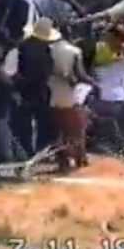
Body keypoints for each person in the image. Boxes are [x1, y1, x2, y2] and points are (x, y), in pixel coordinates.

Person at [48, 25, 99, 171]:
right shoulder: (75, 51)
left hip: (53, 93)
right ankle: (80, 158)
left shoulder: (49, 50)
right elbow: (80, 74)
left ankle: (62, 162)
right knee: (77, 129)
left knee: (59, 131)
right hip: (70, 95)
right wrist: (94, 83)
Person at [14, 18, 55, 157]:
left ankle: (27, 152)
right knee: (43, 123)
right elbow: (49, 70)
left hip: (25, 89)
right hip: (40, 89)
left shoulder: (22, 46)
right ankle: (41, 152)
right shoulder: (46, 49)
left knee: (24, 125)